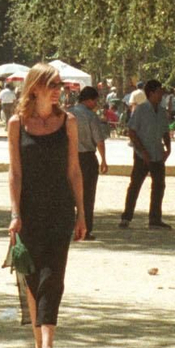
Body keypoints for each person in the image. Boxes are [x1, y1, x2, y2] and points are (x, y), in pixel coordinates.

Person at [7, 63, 86, 348]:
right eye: (52, 84)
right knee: (31, 278)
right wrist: (15, 214)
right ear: (35, 87)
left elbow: (74, 170)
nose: (58, 90)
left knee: (53, 277)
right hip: (26, 212)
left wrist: (82, 213)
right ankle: (37, 347)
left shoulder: (69, 122)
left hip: (60, 209)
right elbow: (15, 173)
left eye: (60, 85)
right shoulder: (17, 123)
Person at [121, 79, 172, 229]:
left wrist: (168, 148)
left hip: (157, 153)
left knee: (159, 186)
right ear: (151, 93)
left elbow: (165, 131)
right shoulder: (141, 110)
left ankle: (155, 219)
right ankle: (126, 217)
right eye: (159, 91)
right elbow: (132, 131)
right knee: (135, 185)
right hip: (142, 154)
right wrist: (142, 151)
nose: (161, 94)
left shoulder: (161, 111)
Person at [69, 85, 108, 238]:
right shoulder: (91, 116)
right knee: (87, 195)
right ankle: (85, 229)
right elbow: (99, 140)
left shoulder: (68, 113)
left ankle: (69, 227)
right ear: (90, 101)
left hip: (69, 157)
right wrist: (104, 159)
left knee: (69, 194)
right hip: (86, 158)